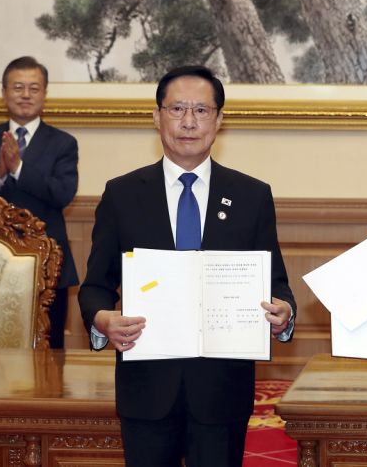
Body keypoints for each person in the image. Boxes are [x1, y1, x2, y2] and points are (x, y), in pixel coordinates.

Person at [78, 65, 296, 467]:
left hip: (221, 389)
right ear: (157, 116)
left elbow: (277, 286)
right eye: (177, 109)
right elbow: (95, 286)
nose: (189, 122)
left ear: (219, 119)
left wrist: (284, 314)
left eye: (201, 110)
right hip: (146, 386)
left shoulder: (252, 195)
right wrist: (102, 320)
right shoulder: (122, 194)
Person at [0, 56, 79, 349]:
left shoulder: (63, 143)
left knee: (48, 351)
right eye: (18, 87)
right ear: (4, 93)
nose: (25, 95)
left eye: (34, 88)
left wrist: (19, 167)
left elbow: (63, 194)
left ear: (44, 94)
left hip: (47, 267)